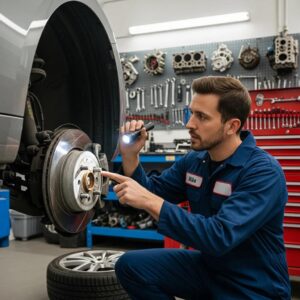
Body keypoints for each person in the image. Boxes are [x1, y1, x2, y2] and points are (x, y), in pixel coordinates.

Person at [101, 76, 291, 300]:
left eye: (202, 117)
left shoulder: (263, 172)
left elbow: (219, 237)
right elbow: (153, 192)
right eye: (192, 113)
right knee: (131, 266)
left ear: (232, 126)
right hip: (210, 268)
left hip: (253, 285)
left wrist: (150, 201)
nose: (189, 124)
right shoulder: (195, 161)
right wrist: (131, 156)